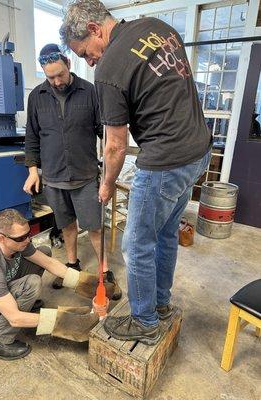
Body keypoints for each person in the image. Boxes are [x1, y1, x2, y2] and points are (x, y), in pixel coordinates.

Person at [60, 0, 212, 345]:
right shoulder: (160, 28)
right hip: (198, 152)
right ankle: (159, 304)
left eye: (86, 53)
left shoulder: (109, 69)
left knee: (137, 243)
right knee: (166, 232)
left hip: (165, 160)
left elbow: (114, 144)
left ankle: (144, 320)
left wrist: (107, 184)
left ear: (96, 30)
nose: (90, 61)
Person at [23, 43, 121, 300]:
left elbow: (107, 134)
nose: (56, 81)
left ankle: (104, 271)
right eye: (50, 77)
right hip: (54, 178)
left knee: (95, 227)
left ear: (68, 63)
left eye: (60, 75)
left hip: (85, 176)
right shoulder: (36, 97)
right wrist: (33, 170)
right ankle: (72, 264)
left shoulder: (90, 92)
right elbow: (32, 138)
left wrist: (110, 172)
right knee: (66, 225)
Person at [0, 209, 114, 360]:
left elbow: (48, 263)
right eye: (21, 238)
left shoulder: (16, 241)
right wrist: (66, 322)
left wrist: (87, 283)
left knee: (44, 252)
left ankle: (22, 303)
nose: (27, 240)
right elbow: (14, 318)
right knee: (32, 284)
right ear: (1, 238)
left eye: (28, 234)